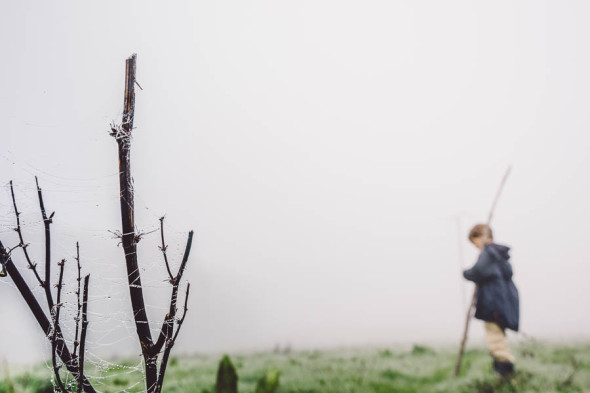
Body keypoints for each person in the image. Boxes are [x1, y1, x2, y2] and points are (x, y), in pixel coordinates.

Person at [463, 224, 519, 378]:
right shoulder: (499, 255)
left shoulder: (489, 253)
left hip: (493, 305)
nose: (476, 247)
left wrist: (465, 273)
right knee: (498, 340)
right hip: (503, 305)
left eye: (475, 242)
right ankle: (502, 378)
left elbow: (477, 271)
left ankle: (507, 379)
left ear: (481, 236)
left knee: (496, 343)